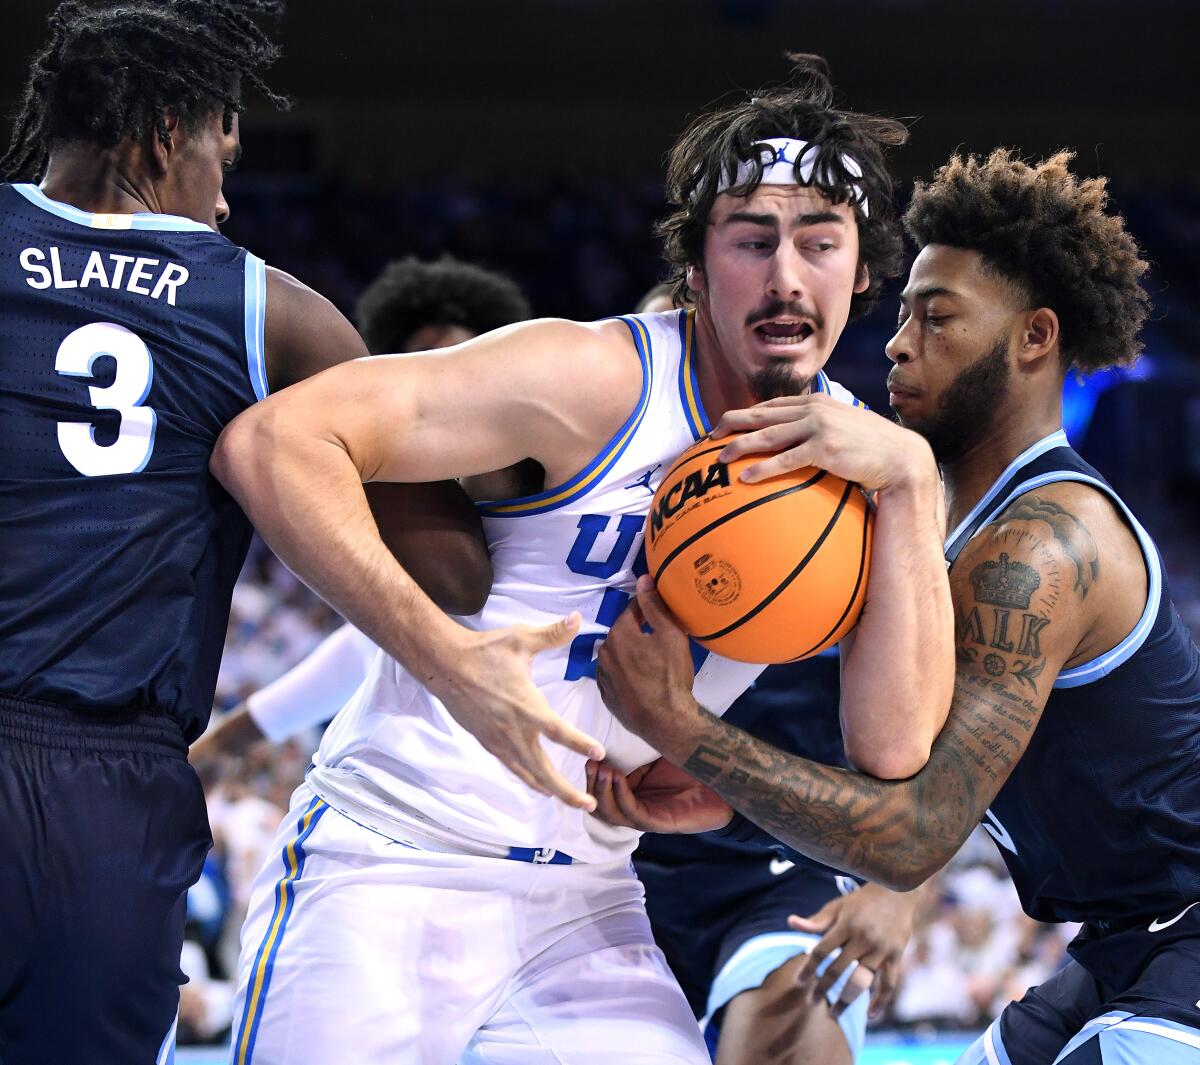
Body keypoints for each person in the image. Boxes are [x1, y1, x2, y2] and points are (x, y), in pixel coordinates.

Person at [211, 55, 955, 1064]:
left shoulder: (873, 471)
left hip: (586, 896)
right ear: (698, 268)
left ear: (862, 270)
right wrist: (447, 658)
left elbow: (896, 753)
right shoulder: (593, 377)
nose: (786, 274)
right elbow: (273, 444)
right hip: (391, 857)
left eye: (820, 242)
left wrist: (912, 482)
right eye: (752, 241)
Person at [593, 149, 1200, 1064]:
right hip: (1122, 940)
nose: (896, 341)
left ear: (1035, 338)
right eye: (904, 311)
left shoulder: (1043, 544)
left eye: (937, 317)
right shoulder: (940, 528)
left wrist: (675, 722)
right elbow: (932, 780)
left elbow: (913, 828)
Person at [0, 4, 488, 1063]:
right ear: (166, 133)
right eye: (224, 152)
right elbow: (450, 568)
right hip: (101, 786)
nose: (225, 197)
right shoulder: (272, 312)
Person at [632, 284, 921, 1065]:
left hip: (784, 866)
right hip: (607, 863)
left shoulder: (846, 509)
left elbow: (953, 727)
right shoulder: (584, 509)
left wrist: (901, 883)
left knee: (796, 1019)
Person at [189, 256, 532, 765]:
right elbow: (372, 642)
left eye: (462, 359)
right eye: (424, 364)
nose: (445, 381)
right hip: (426, 782)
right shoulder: (402, 490)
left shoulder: (534, 477)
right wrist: (226, 741)